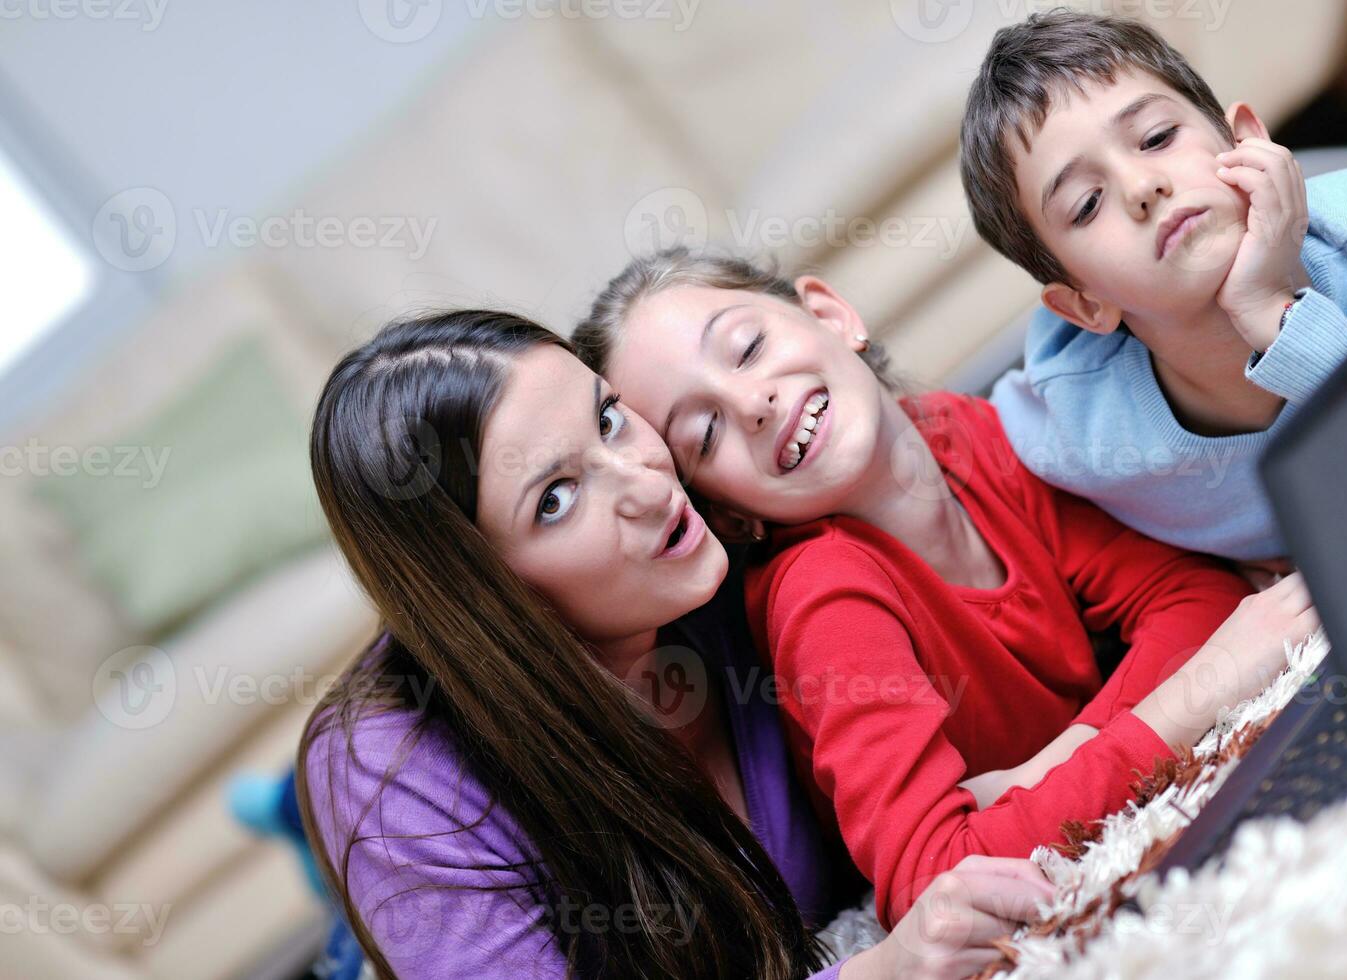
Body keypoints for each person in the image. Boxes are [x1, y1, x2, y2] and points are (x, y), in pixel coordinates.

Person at [298, 309, 1055, 980]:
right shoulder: (394, 775)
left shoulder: (715, 521)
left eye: (607, 419)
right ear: (491, 599)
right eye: (556, 499)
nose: (649, 485)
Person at [575, 249, 1318, 929]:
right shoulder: (822, 596)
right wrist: (1191, 700)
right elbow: (938, 880)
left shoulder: (958, 429)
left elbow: (1197, 600)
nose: (752, 404)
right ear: (730, 513)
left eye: (747, 347)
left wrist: (1047, 768)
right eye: (703, 435)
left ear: (832, 315)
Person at [967, 10, 1347, 566]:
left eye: (1157, 137)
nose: (1143, 186)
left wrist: (1272, 311)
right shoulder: (1079, 423)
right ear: (1084, 304)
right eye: (1087, 204)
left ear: (1244, 141)